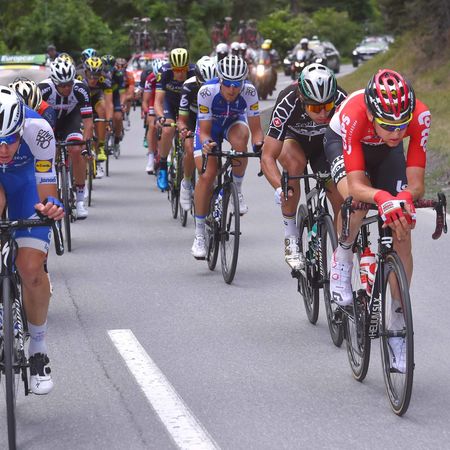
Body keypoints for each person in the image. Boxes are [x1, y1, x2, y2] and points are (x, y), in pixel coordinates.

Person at [324, 69, 430, 372]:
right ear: (372, 113)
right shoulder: (355, 114)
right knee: (356, 204)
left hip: (385, 154)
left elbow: (416, 183)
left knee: (402, 228)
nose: (397, 132)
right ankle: (343, 257)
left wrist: (403, 200)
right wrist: (383, 198)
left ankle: (398, 321)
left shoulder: (420, 117)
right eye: (388, 125)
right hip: (344, 142)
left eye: (402, 124)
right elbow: (357, 186)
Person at [0, 86, 65, 394]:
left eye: (11, 139)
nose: (4, 149)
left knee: (31, 269)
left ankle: (38, 349)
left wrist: (51, 206)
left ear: (20, 128)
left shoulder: (39, 130)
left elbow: (46, 190)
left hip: (27, 183)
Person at [261, 63, 346, 269]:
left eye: (327, 106)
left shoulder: (342, 100)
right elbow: (268, 156)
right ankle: (291, 236)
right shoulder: (287, 101)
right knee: (294, 165)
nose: (323, 113)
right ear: (302, 98)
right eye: (315, 108)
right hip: (294, 140)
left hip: (325, 143)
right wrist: (280, 188)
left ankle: (342, 252)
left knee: (339, 193)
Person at [191, 55, 264, 259]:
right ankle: (199, 235)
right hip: (210, 128)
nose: (232, 89)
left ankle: (237, 190)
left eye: (237, 84)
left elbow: (257, 130)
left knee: (242, 140)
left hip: (233, 124)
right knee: (208, 175)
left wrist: (259, 146)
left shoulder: (250, 92)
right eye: (228, 84)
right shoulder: (207, 91)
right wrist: (206, 144)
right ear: (220, 80)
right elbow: (204, 132)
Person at [39, 58, 94, 219]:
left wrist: (86, 146)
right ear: (54, 82)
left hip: (71, 120)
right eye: (62, 85)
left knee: (76, 149)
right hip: (49, 122)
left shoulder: (81, 89)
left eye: (69, 83)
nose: (67, 88)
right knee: (48, 154)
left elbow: (88, 122)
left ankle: (80, 200)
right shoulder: (43, 89)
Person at [178, 56, 217, 211]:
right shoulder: (188, 86)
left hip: (210, 118)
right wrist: (183, 129)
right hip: (192, 117)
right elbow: (182, 118)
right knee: (189, 147)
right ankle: (186, 183)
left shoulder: (221, 86)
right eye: (203, 84)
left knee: (216, 151)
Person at [154, 48, 196, 191]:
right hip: (170, 103)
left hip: (188, 105)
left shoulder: (194, 72)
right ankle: (163, 166)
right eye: (177, 70)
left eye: (183, 69)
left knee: (189, 135)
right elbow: (158, 101)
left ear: (188, 67)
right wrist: (161, 117)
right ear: (172, 67)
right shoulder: (164, 72)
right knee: (168, 129)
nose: (180, 73)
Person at [76, 56, 114, 179]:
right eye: (90, 75)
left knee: (102, 109)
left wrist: (108, 121)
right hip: (81, 101)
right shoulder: (78, 77)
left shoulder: (105, 80)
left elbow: (109, 103)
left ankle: (101, 146)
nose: (93, 79)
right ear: (85, 71)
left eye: (96, 76)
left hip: (96, 99)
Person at [142, 58, 165, 174]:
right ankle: (151, 156)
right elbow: (145, 100)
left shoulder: (168, 75)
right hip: (152, 101)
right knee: (152, 125)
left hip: (165, 101)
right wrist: (147, 112)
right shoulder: (150, 78)